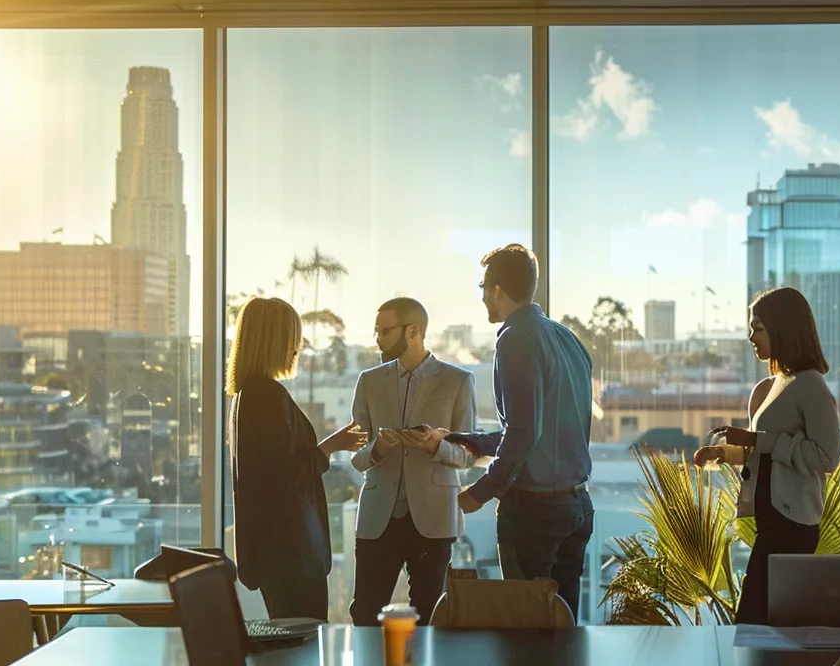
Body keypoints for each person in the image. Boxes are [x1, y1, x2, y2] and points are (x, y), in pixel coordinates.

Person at [408, 244, 595, 618]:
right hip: (576, 508)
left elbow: (524, 432)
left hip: (534, 517)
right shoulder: (568, 340)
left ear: (496, 289)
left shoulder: (515, 339)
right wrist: (457, 439)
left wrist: (481, 492)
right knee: (562, 628)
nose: (481, 297)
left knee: (527, 632)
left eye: (482, 287)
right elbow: (531, 431)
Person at [694, 286, 840, 626]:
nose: (750, 337)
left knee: (757, 622)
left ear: (783, 328)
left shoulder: (810, 386)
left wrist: (759, 439)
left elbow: (827, 456)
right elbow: (765, 451)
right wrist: (724, 453)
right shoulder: (778, 383)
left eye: (757, 328)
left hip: (792, 525)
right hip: (772, 521)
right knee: (760, 623)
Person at [227, 296, 368, 620]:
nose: (298, 345)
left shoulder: (246, 396)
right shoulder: (267, 396)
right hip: (291, 555)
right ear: (275, 340)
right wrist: (330, 447)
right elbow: (284, 475)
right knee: (302, 643)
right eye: (293, 337)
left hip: (272, 554)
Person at [347, 297, 480, 626]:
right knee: (364, 614)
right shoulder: (369, 381)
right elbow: (357, 456)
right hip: (379, 518)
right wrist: (378, 448)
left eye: (384, 331)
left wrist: (435, 446)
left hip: (434, 518)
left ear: (413, 331)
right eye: (376, 331)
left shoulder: (458, 381)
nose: (377, 338)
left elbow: (469, 454)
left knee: (430, 617)